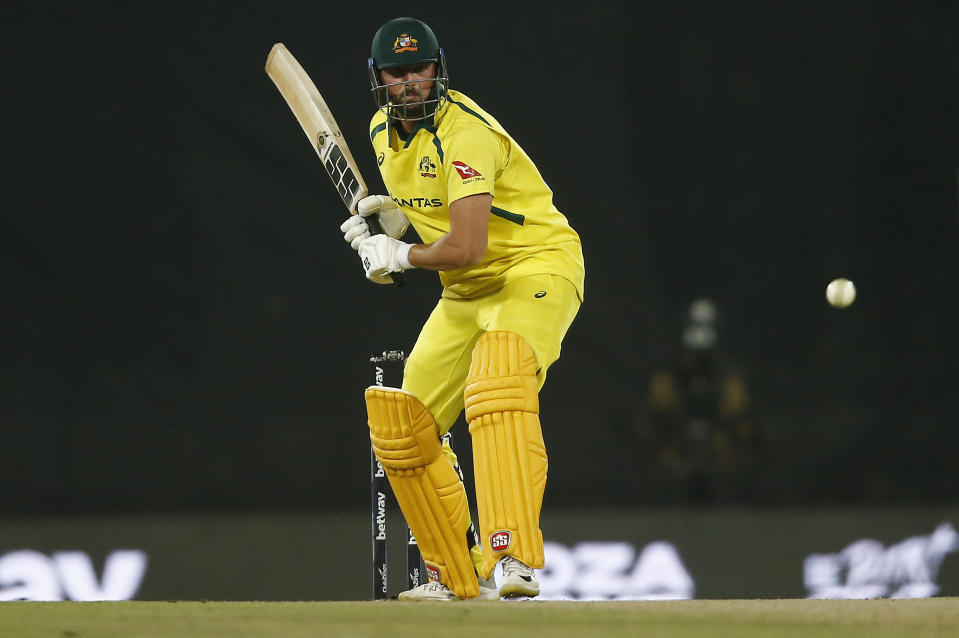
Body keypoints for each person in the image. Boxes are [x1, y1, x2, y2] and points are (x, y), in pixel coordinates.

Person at [339, 17, 585, 601]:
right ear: (380, 79)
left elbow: (469, 245)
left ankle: (513, 561)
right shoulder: (380, 131)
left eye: (419, 69)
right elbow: (442, 226)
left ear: (438, 69)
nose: (410, 84)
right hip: (464, 293)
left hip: (534, 269)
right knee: (402, 427)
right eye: (397, 73)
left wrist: (399, 253)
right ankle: (454, 574)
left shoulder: (466, 132)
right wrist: (396, 224)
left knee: (497, 380)